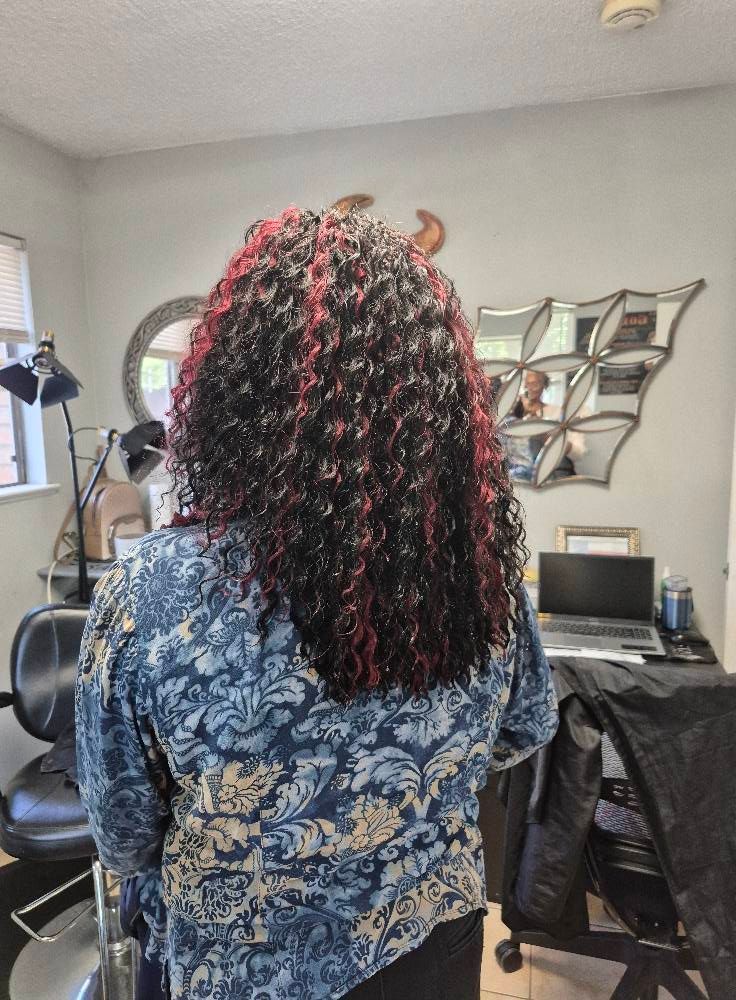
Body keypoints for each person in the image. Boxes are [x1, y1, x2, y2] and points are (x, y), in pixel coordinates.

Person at [76, 207, 558, 1000]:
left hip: (233, 969)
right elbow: (522, 729)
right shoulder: (483, 578)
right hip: (427, 949)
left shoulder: (146, 595)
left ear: (235, 396)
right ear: (437, 404)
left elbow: (124, 837)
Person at [506, 370, 585, 481]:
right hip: (519, 480)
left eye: (535, 383)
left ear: (544, 385)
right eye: (526, 383)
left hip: (554, 476)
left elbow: (578, 453)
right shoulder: (510, 419)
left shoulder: (558, 413)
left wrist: (555, 441)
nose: (530, 388)